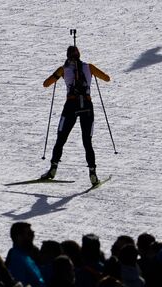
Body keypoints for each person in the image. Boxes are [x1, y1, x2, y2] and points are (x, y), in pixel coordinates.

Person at [41, 45, 111, 186]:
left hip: (70, 106)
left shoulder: (63, 69)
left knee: (61, 138)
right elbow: (107, 78)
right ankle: (92, 174)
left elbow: (46, 84)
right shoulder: (89, 67)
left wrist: (58, 75)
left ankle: (53, 169)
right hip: (87, 106)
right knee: (87, 141)